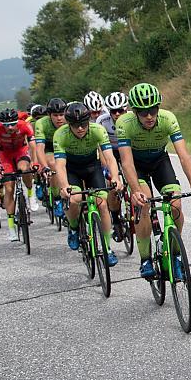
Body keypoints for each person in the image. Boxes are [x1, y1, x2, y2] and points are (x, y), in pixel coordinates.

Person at [117, 83, 191, 278]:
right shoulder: (124, 124)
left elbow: (183, 155)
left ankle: (174, 255)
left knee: (175, 204)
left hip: (159, 161)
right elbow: (126, 162)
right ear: (135, 112)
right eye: (143, 112)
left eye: (153, 110)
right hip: (137, 165)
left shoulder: (168, 119)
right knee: (144, 203)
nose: (149, 116)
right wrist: (134, 190)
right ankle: (145, 259)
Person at [53, 102, 121, 266]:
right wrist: (64, 186)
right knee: (74, 200)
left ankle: (107, 247)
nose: (80, 129)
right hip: (72, 170)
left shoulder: (98, 130)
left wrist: (116, 178)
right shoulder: (60, 135)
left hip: (93, 168)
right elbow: (60, 165)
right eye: (75, 125)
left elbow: (110, 158)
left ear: (88, 121)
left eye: (83, 124)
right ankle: (74, 227)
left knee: (102, 204)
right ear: (69, 124)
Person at [0, 108, 37, 241]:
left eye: (12, 124)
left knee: (24, 168)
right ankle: (11, 229)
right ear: (1, 124)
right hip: (5, 156)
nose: (9, 128)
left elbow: (33, 146)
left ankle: (31, 194)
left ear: (17, 122)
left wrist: (34, 161)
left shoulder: (25, 125)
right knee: (9, 188)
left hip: (21, 151)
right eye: (6, 125)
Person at [97, 91, 128, 241]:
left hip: (126, 150)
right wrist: (106, 168)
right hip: (109, 151)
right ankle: (115, 220)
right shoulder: (102, 121)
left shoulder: (131, 120)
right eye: (113, 111)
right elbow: (101, 147)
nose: (117, 114)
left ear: (126, 109)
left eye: (120, 110)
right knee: (111, 183)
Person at [35, 98, 67, 217]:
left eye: (61, 115)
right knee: (53, 164)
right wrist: (44, 167)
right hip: (49, 148)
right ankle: (57, 198)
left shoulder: (69, 120)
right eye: (55, 115)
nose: (59, 118)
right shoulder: (41, 123)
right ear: (49, 115)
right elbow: (39, 148)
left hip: (65, 146)